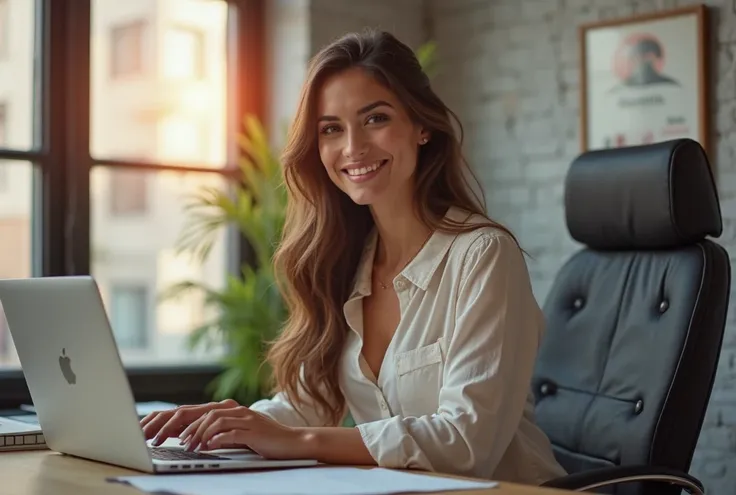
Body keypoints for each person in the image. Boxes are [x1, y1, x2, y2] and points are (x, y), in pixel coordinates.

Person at [141, 28, 567, 486]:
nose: (352, 148)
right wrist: (226, 426)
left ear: (422, 127)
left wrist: (298, 442)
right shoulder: (342, 260)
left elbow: (466, 443)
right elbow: (304, 405)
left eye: (375, 119)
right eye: (330, 129)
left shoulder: (483, 256)